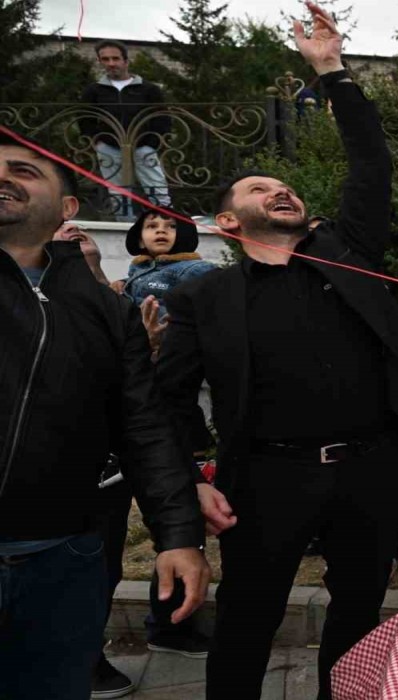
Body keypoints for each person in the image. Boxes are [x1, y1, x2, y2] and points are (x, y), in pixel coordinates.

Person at [153, 7, 398, 698]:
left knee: (357, 618)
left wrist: (332, 71)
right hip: (264, 481)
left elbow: (370, 162)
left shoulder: (349, 252)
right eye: (260, 188)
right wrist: (190, 483)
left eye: (284, 185)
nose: (280, 189)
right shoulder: (204, 298)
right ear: (229, 222)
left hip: (370, 472)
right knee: (247, 620)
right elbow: (166, 401)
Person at [0, 131, 210, 700]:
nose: (4, 178)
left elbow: (144, 426)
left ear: (68, 208)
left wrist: (177, 535)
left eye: (24, 170)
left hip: (61, 557)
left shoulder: (108, 311)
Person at [80, 40, 171, 218]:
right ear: (100, 61)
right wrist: (97, 141)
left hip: (144, 145)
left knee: (156, 187)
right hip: (109, 146)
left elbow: (162, 117)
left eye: (115, 58)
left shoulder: (148, 89)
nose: (111, 63)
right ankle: (126, 229)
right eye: (105, 59)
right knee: (118, 192)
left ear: (126, 61)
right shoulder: (94, 91)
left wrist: (153, 142)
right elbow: (85, 118)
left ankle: (166, 221)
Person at [114, 208, 217, 316]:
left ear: (184, 235)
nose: (161, 230)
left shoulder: (195, 269)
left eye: (172, 226)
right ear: (141, 242)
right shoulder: (139, 267)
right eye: (152, 226)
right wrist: (124, 283)